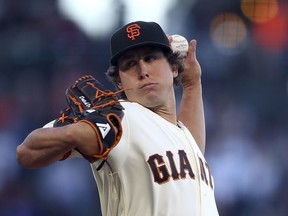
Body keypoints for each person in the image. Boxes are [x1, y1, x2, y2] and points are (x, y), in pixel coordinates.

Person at [16, 21, 219, 216]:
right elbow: (26, 152)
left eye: (150, 58)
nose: (143, 71)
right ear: (119, 82)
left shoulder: (179, 133)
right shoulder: (121, 117)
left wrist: (193, 84)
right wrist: (81, 131)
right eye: (130, 64)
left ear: (174, 68)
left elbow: (189, 150)